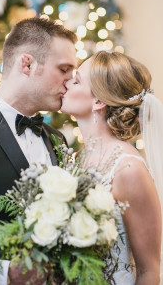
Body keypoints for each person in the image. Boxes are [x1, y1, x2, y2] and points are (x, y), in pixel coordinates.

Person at [0, 17, 77, 285]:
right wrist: (3, 274)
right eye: (64, 69)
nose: (70, 82)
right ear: (27, 64)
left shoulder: (57, 140)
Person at [61, 51, 162, 285]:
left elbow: (149, 271)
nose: (66, 82)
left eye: (76, 80)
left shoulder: (128, 168)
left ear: (98, 101)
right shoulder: (75, 158)